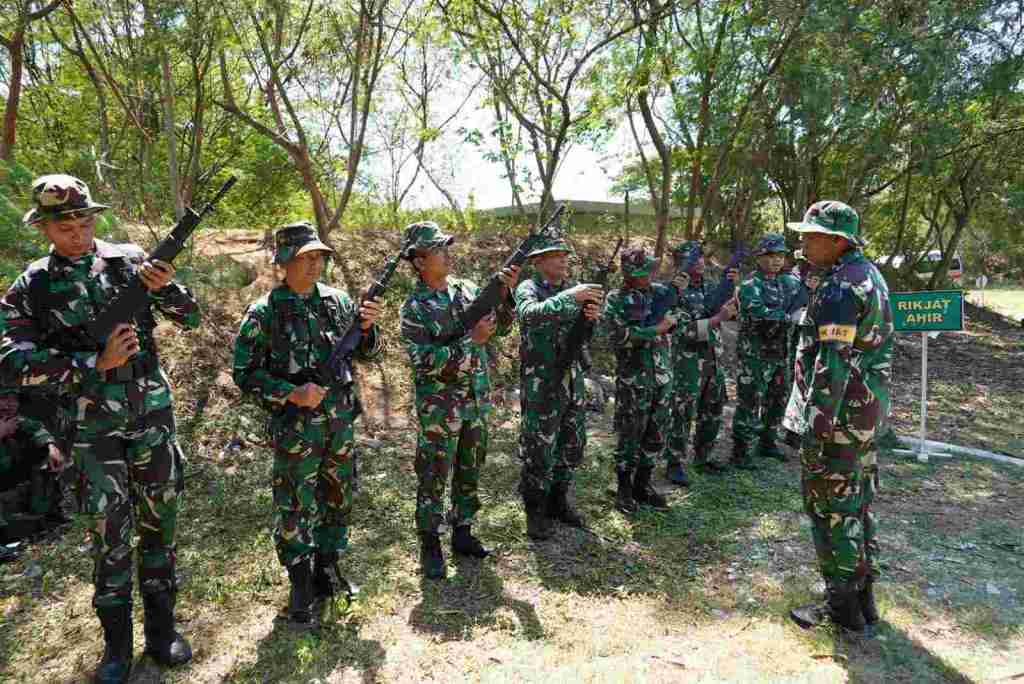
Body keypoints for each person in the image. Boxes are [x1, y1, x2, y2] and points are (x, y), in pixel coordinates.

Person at [0, 174, 197, 682]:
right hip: (91, 432)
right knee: (109, 537)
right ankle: (115, 649)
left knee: (161, 526)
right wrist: (92, 362)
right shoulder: (33, 285)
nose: (77, 231)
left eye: (84, 219)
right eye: (63, 223)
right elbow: (12, 361)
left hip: (151, 418)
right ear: (44, 227)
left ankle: (161, 633)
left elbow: (189, 316)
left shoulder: (130, 260)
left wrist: (166, 288)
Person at [233, 221, 383, 625]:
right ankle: (300, 580)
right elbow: (244, 374)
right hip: (297, 429)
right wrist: (290, 392)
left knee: (340, 495)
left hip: (339, 424)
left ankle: (327, 568)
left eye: (319, 256)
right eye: (305, 257)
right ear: (284, 261)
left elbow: (368, 353)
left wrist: (368, 328)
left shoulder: (338, 302)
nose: (314, 264)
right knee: (296, 504)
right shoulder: (264, 311)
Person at [783, 201, 893, 634]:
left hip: (838, 421)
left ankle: (842, 606)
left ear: (836, 240)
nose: (803, 242)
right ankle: (864, 600)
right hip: (865, 416)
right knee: (858, 504)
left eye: (811, 235)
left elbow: (832, 363)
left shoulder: (840, 288)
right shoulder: (870, 276)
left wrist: (814, 427)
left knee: (831, 510)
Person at [398, 221, 519, 579]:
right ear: (419, 262)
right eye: (438, 249)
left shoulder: (467, 289)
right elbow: (423, 360)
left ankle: (463, 531)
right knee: (434, 471)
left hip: (476, 398)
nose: (447, 253)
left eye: (446, 246)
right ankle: (430, 541)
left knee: (470, 466)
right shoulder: (414, 307)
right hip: (440, 404)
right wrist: (471, 342)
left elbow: (503, 326)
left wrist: (506, 295)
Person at [513, 234, 603, 539]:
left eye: (565, 255)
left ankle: (558, 501)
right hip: (542, 382)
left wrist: (590, 318)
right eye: (555, 255)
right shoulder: (529, 288)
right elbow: (529, 316)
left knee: (571, 443)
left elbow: (582, 335)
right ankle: (535, 511)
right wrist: (572, 299)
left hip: (572, 381)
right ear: (538, 262)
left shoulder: (571, 288)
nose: (564, 260)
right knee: (539, 447)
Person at [602, 244, 673, 513]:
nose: (650, 276)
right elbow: (618, 337)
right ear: (629, 273)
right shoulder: (616, 299)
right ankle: (623, 489)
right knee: (630, 436)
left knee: (655, 434)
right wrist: (655, 330)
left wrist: (672, 321)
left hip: (662, 377)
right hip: (634, 380)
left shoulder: (659, 294)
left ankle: (643, 485)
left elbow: (680, 314)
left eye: (651, 270)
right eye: (645, 272)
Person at [663, 241, 739, 483]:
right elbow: (687, 332)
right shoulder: (673, 293)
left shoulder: (712, 287)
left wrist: (733, 295)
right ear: (679, 263)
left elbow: (729, 313)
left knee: (713, 409)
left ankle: (703, 456)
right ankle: (674, 462)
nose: (699, 262)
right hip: (687, 361)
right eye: (692, 258)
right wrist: (720, 318)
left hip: (712, 359)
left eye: (701, 258)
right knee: (682, 412)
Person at [731, 233, 802, 468]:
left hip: (781, 354)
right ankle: (741, 451)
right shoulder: (750, 285)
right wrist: (788, 316)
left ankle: (768, 442)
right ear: (760, 257)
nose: (776, 260)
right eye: (771, 256)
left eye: (780, 256)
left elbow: (803, 302)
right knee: (750, 402)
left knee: (777, 400)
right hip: (755, 355)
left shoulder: (789, 282)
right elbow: (759, 313)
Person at [0, 389, 65, 548]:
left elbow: (35, 428)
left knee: (43, 460)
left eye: (14, 399)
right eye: (4, 398)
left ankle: (41, 518)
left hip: (8, 481)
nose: (10, 403)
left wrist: (51, 447)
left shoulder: (13, 420)